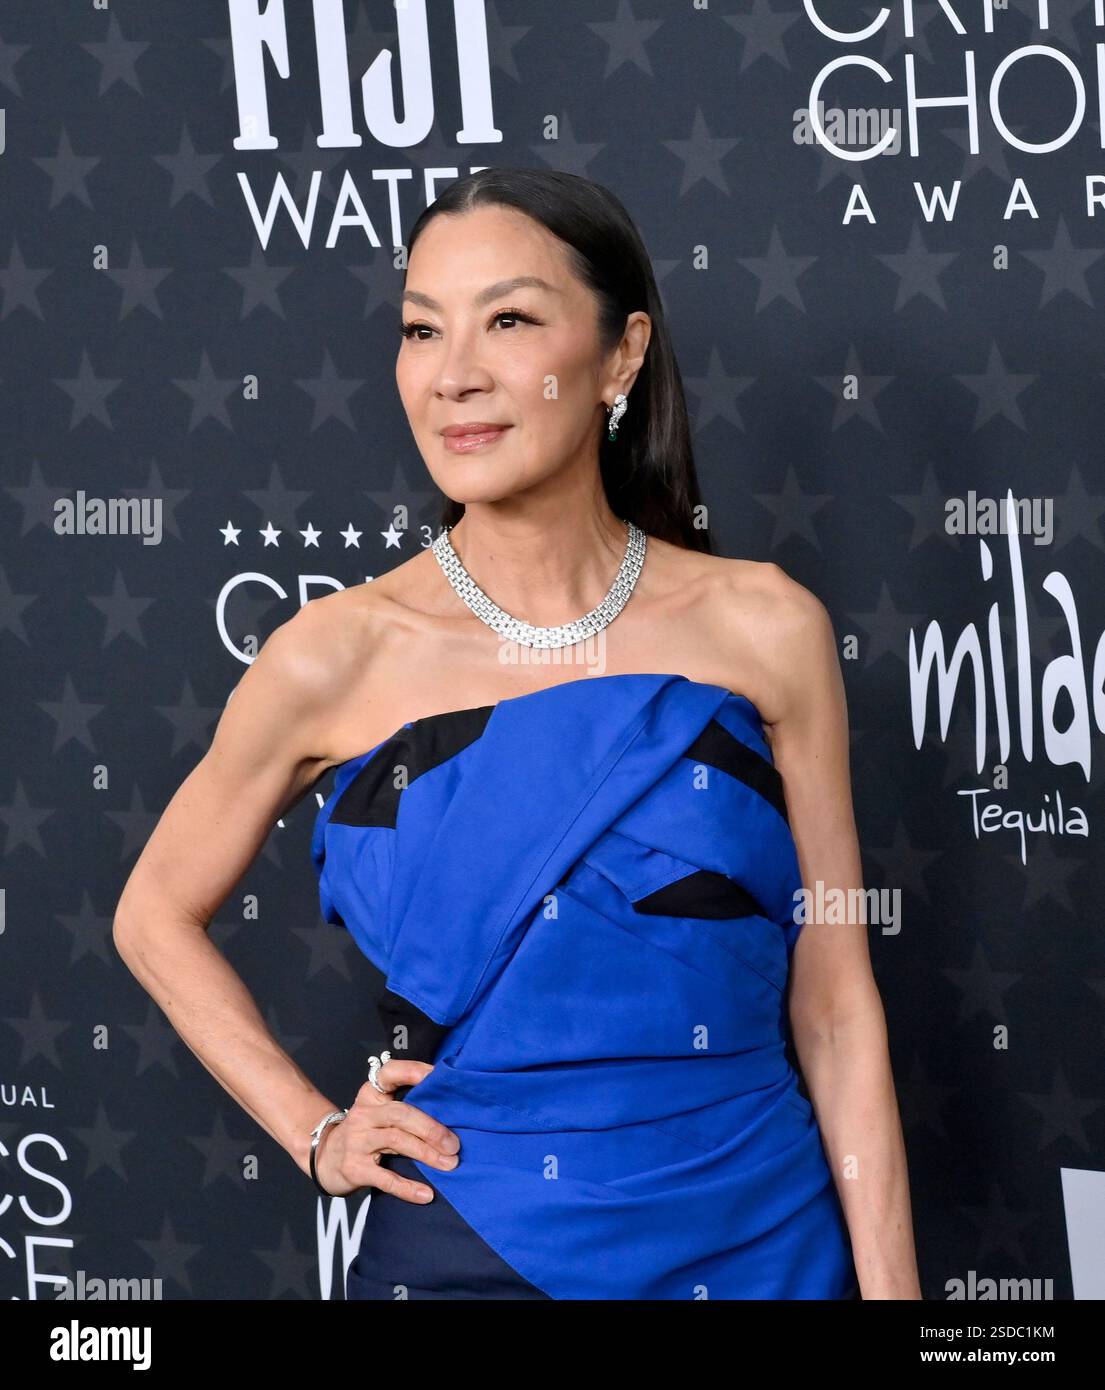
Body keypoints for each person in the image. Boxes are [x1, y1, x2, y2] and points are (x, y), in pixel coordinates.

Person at [114, 166, 921, 1301]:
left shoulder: (765, 626)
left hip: (760, 1238)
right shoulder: (338, 652)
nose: (454, 375)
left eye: (508, 320)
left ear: (621, 354)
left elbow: (834, 1004)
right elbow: (152, 913)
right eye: (420, 328)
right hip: (471, 1250)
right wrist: (313, 1130)